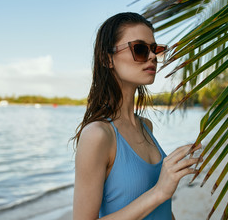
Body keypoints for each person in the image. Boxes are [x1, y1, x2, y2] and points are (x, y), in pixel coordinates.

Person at [72, 12, 202, 220]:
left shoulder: (145, 126)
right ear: (107, 59)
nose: (152, 57)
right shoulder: (97, 135)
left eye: (155, 49)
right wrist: (159, 192)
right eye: (140, 49)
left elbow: (163, 211)